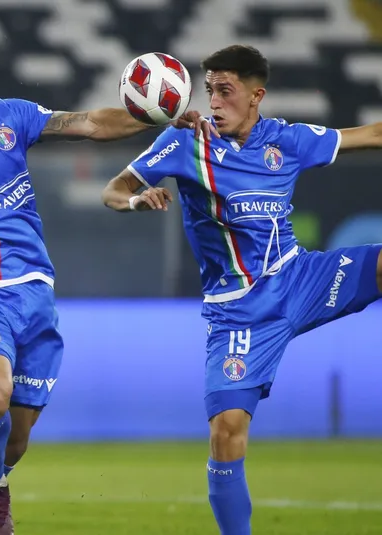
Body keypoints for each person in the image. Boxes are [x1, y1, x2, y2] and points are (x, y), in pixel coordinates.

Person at [0, 39, 215, 535]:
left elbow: (90, 124)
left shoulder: (6, 115)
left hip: (36, 291)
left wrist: (160, 119)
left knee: (14, 442)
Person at [102, 44, 382, 535]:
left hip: (300, 279)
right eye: (210, 90)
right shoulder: (185, 142)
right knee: (226, 432)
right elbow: (114, 190)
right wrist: (136, 202)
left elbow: (372, 134)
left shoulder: (286, 140)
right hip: (239, 312)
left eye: (225, 91)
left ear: (256, 96)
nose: (214, 101)